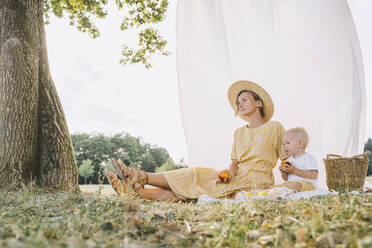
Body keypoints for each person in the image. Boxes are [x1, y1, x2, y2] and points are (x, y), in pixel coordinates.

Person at [105, 80, 287, 201]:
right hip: (236, 177)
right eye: (238, 102)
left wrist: (292, 173)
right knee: (193, 182)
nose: (240, 104)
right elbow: (234, 163)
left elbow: (287, 158)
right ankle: (137, 192)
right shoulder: (239, 132)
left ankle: (139, 176)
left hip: (257, 179)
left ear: (259, 103)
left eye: (245, 99)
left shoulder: (275, 127)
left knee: (196, 179)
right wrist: (229, 171)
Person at [277, 127, 319, 192]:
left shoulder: (308, 158)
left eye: (288, 143)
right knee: (278, 186)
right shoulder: (289, 159)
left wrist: (294, 171)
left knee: (294, 185)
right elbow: (286, 179)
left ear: (299, 143)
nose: (285, 146)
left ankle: (283, 192)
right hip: (291, 184)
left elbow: (314, 175)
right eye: (284, 144)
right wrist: (284, 173)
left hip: (307, 184)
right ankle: (278, 193)